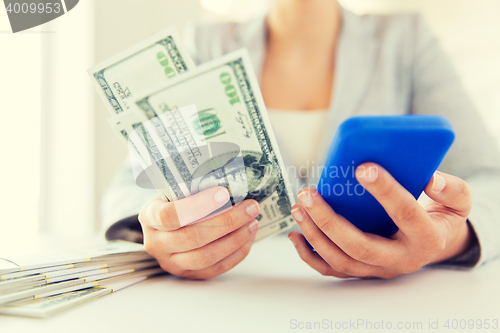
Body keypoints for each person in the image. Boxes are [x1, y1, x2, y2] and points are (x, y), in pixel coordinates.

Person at [102, 0, 500, 279]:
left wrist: (446, 238)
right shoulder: (206, 45)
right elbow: (129, 187)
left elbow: (490, 178)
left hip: (374, 308)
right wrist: (160, 232)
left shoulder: (407, 41)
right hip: (233, 300)